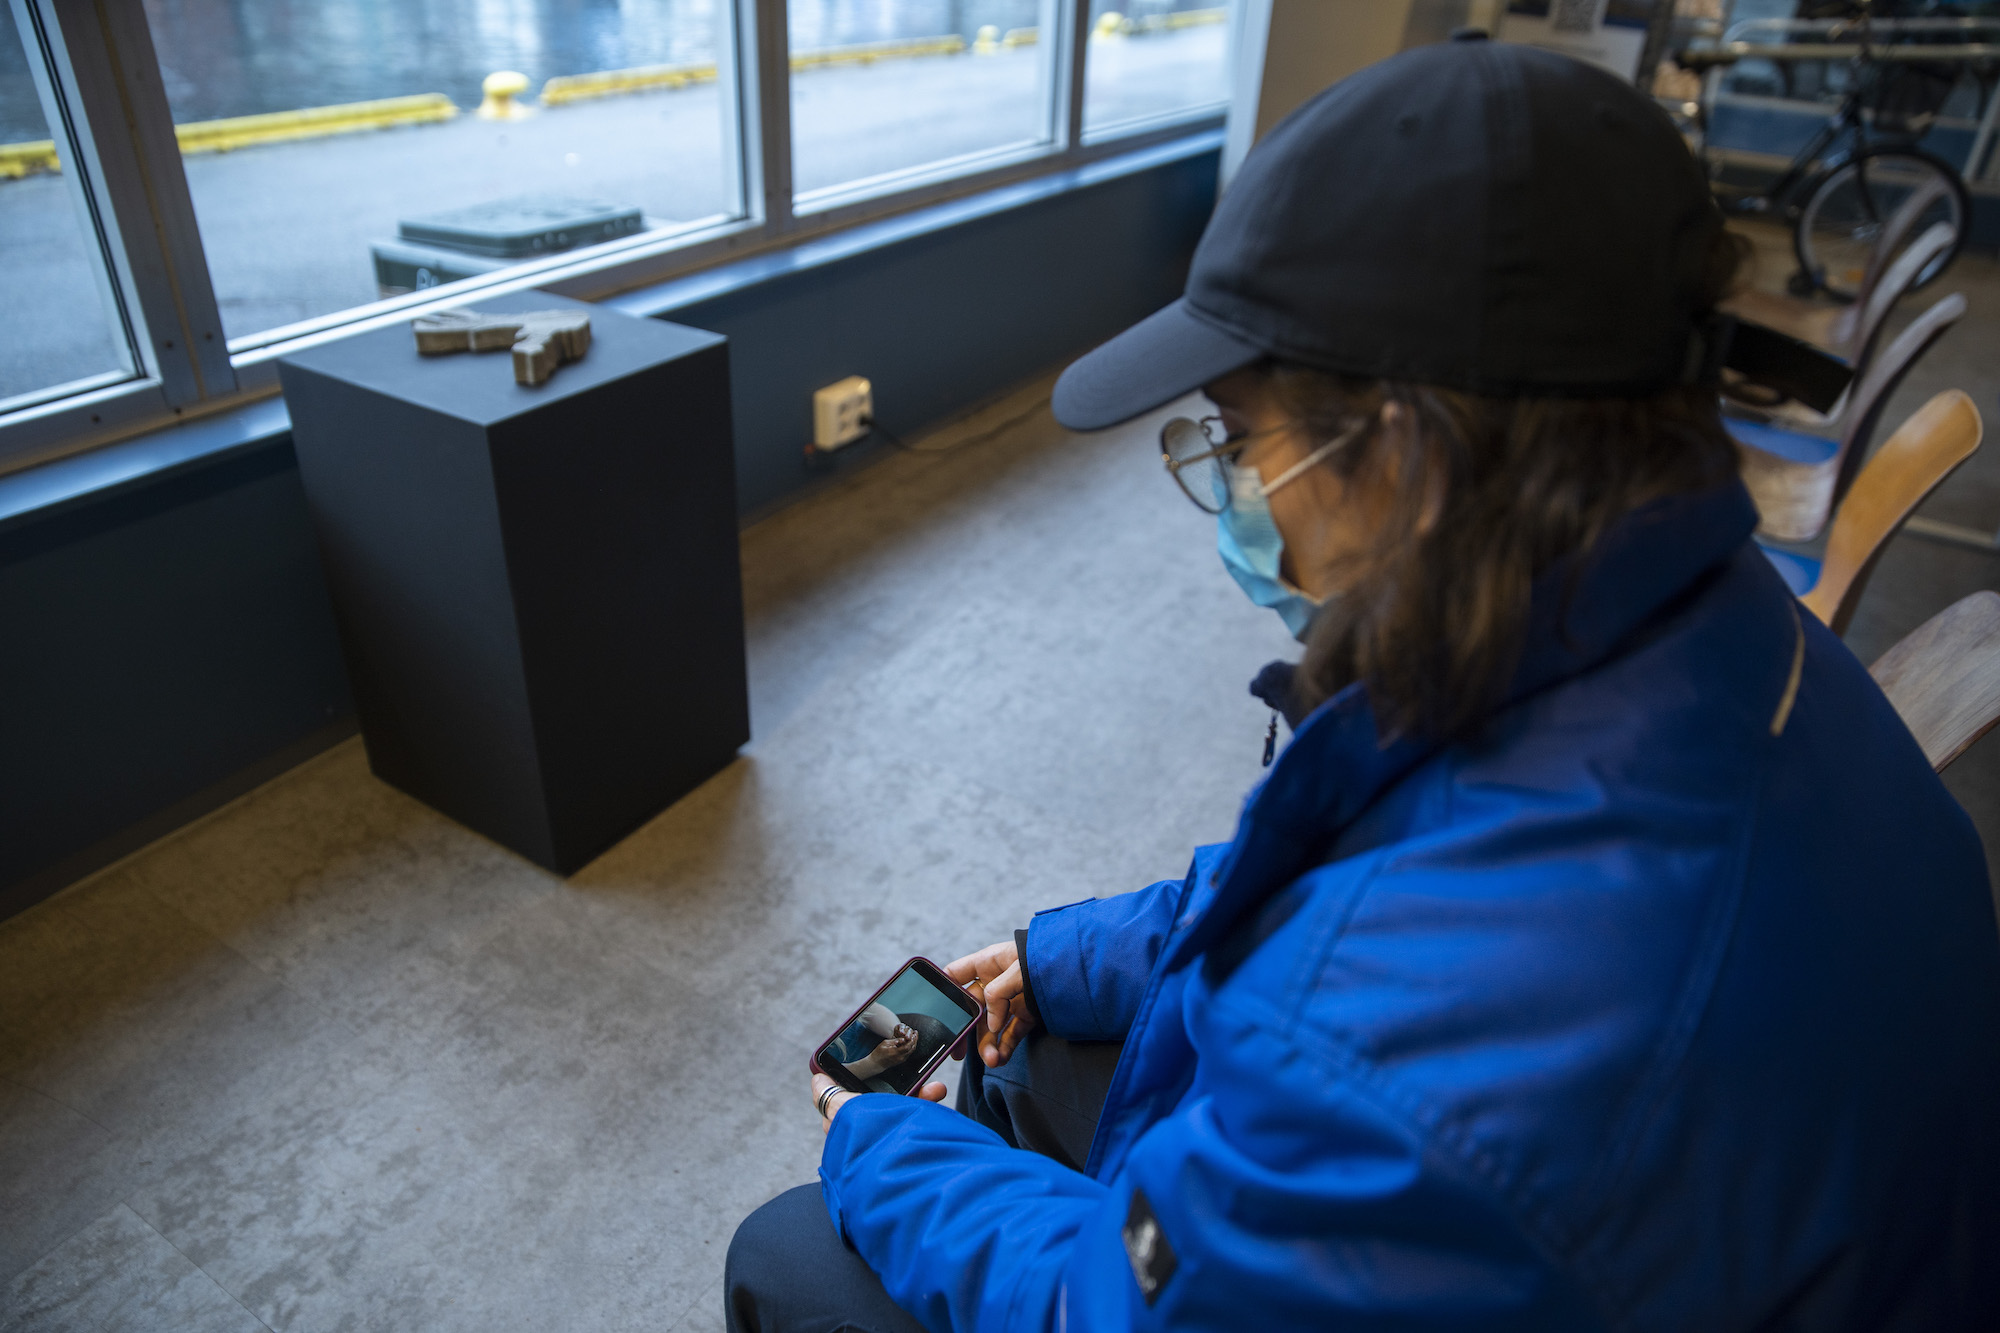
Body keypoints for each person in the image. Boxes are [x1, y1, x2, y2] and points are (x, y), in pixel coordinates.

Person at [726, 33, 2000, 1333]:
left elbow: (1126, 1307)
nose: (1227, 482)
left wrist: (885, 1149)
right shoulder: (1707, 626)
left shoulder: (1397, 1044)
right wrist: (1062, 958)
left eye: (1235, 433)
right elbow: (1346, 864)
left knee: (794, 1247)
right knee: (1041, 1047)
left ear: (1400, 455)